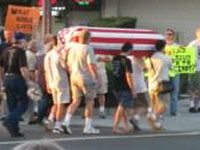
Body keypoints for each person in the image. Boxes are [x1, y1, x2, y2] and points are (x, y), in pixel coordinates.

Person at [62, 30, 100, 134]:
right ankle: (87, 126)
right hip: (86, 77)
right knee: (90, 101)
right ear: (89, 38)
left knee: (75, 101)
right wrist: (96, 77)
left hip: (74, 76)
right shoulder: (88, 48)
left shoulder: (72, 47)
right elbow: (91, 64)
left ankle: (66, 121)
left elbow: (67, 63)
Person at [0, 39, 30, 137]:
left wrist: (3, 80)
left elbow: (1, 68)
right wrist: (28, 81)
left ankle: (14, 130)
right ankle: (10, 120)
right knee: (24, 103)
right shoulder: (20, 51)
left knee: (12, 104)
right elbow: (23, 68)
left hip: (7, 77)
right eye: (25, 43)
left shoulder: (5, 50)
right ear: (21, 43)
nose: (26, 45)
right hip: (17, 78)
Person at [44, 36, 70, 133]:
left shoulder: (48, 54)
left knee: (55, 103)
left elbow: (46, 70)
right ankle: (58, 124)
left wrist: (47, 84)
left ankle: (50, 119)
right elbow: (65, 67)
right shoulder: (59, 54)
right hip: (61, 80)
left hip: (51, 81)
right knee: (61, 104)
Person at [145, 40, 172, 130]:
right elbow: (171, 67)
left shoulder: (149, 58)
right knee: (164, 104)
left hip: (151, 84)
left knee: (154, 105)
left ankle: (156, 124)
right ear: (163, 47)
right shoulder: (165, 58)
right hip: (161, 84)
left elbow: (145, 69)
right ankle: (154, 117)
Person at [112, 42, 134, 133]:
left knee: (122, 107)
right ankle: (115, 127)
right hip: (124, 86)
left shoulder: (115, 58)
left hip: (115, 85)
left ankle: (127, 125)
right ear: (129, 50)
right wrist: (132, 88)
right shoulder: (127, 61)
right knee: (121, 106)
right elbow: (128, 75)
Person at [128, 55, 149, 130]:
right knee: (145, 106)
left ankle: (134, 122)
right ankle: (135, 118)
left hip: (130, 85)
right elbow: (145, 69)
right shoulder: (138, 59)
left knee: (134, 105)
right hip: (140, 85)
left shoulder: (127, 58)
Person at [164, 28, 180, 116]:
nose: (168, 36)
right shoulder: (162, 46)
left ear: (173, 36)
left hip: (175, 71)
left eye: (170, 34)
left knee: (175, 91)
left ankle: (174, 111)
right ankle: (160, 111)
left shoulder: (177, 46)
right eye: (167, 34)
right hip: (164, 71)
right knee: (162, 91)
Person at [187, 27, 200, 113]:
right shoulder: (192, 44)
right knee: (191, 88)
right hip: (193, 69)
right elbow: (185, 55)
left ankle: (199, 105)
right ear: (197, 33)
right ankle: (191, 105)